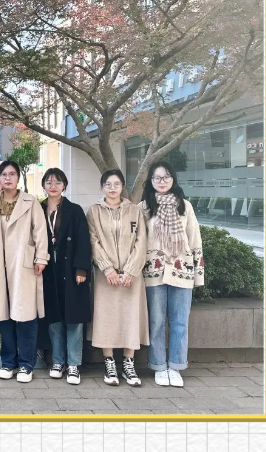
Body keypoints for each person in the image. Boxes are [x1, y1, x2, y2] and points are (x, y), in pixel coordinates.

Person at [140, 161, 204, 388]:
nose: (162, 181)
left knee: (180, 322)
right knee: (156, 322)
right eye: (157, 178)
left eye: (166, 177)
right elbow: (138, 241)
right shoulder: (143, 207)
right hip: (153, 272)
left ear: (173, 179)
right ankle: (159, 366)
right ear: (151, 181)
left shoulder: (184, 206)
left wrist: (198, 274)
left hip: (181, 271)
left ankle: (176, 366)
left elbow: (195, 239)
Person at [86, 169, 149, 387]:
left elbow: (141, 241)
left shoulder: (135, 210)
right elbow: (93, 241)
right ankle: (109, 362)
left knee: (131, 317)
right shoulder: (93, 211)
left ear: (123, 187)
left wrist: (131, 270)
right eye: (108, 184)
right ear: (102, 187)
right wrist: (107, 269)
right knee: (106, 318)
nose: (112, 188)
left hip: (132, 276)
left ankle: (129, 363)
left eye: (116, 184)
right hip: (106, 276)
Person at [0, 160, 49, 383]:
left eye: (12, 174)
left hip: (24, 265)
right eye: (4, 174)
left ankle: (26, 364)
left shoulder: (30, 202)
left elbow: (40, 231)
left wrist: (41, 258)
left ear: (18, 178)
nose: (8, 178)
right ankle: (8, 363)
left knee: (26, 315)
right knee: (4, 315)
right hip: (1, 265)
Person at [40, 168, 92, 385]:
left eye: (58, 182)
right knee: (54, 319)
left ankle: (73, 364)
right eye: (49, 182)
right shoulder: (38, 209)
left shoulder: (74, 210)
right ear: (43, 185)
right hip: (47, 270)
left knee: (74, 318)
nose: (53, 186)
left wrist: (81, 269)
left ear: (65, 186)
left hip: (71, 271)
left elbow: (83, 240)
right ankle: (57, 361)